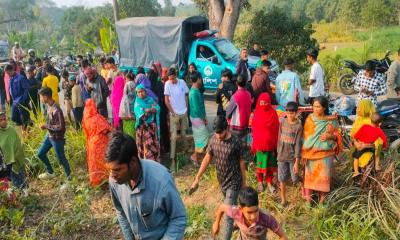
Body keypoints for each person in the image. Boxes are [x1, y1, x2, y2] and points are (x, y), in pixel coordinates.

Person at [106, 132, 187, 240]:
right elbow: (121, 212)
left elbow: (178, 217)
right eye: (110, 170)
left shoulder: (161, 180)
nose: (112, 175)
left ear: (133, 162)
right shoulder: (115, 181)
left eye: (117, 170)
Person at [190, 116, 246, 240]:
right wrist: (197, 178)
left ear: (227, 129)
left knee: (227, 215)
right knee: (232, 206)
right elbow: (207, 158)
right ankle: (242, 222)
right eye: (216, 132)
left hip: (234, 182)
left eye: (220, 132)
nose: (218, 135)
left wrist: (244, 182)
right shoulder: (213, 139)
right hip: (222, 181)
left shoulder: (236, 142)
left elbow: (242, 162)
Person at [302, 96, 342, 204]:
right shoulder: (309, 119)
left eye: (318, 106)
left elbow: (337, 136)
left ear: (324, 108)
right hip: (310, 154)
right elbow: (306, 136)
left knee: (324, 179)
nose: (315, 109)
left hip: (325, 155)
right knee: (309, 179)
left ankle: (322, 203)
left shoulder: (332, 120)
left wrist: (330, 137)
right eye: (314, 106)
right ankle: (308, 201)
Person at [212, 186, 288, 240]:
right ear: (241, 209)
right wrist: (216, 223)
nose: (253, 216)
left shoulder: (266, 218)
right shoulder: (236, 212)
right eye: (249, 212)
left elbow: (283, 236)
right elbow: (222, 207)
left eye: (256, 211)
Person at [37, 87, 71, 191]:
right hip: (49, 136)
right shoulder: (49, 106)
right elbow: (51, 123)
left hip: (57, 138)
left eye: (41, 97)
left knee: (61, 158)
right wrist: (47, 126)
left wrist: (46, 126)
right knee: (40, 153)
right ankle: (51, 172)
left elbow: (61, 127)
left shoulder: (57, 109)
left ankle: (69, 179)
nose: (40, 99)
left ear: (46, 97)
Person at [252, 93, 280, 193]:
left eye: (265, 102)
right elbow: (254, 130)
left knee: (270, 166)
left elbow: (276, 129)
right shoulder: (256, 113)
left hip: (271, 146)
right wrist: (254, 144)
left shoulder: (273, 113)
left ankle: (269, 182)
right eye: (261, 102)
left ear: (269, 102)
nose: (263, 104)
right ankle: (260, 182)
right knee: (259, 166)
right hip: (259, 145)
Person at [277, 102, 303, 205]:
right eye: (287, 112)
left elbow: (298, 145)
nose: (289, 115)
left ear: (297, 113)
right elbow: (279, 137)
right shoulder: (282, 122)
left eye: (292, 113)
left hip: (292, 157)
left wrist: (297, 162)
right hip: (282, 156)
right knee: (282, 179)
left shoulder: (299, 126)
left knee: (295, 178)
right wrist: (278, 151)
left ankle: (303, 183)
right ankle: (283, 199)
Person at [164, 67, 190, 171]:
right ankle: (172, 160)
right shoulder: (167, 84)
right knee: (174, 137)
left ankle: (186, 149)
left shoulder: (182, 82)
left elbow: (186, 95)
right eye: (170, 79)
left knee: (183, 133)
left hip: (183, 112)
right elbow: (166, 101)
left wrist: (186, 108)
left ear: (176, 75)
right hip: (173, 113)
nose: (171, 81)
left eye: (173, 78)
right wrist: (172, 113)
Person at [82, 99, 112, 187]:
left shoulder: (85, 119)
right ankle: (105, 180)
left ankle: (96, 181)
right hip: (100, 143)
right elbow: (106, 129)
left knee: (94, 163)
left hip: (91, 143)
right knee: (103, 160)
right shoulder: (97, 118)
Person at [0, 112, 27, 192]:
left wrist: (15, 155)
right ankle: (17, 195)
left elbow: (18, 143)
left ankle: (24, 191)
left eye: (4, 119)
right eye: (1, 120)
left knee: (21, 178)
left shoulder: (11, 129)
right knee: (12, 182)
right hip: (5, 162)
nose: (3, 121)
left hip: (17, 158)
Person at [134, 84, 161, 162]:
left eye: (142, 91)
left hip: (151, 127)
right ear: (136, 93)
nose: (140, 94)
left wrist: (154, 109)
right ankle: (146, 164)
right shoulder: (137, 103)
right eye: (138, 92)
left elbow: (157, 107)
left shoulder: (150, 99)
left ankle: (155, 163)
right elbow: (141, 115)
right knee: (145, 147)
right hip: (143, 129)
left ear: (145, 91)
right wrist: (148, 110)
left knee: (153, 146)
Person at [188, 72, 209, 165]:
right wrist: (203, 118)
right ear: (198, 79)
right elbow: (196, 108)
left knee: (200, 137)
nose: (201, 80)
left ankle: (198, 156)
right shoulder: (193, 92)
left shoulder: (196, 90)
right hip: (197, 118)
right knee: (204, 136)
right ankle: (195, 156)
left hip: (198, 117)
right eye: (201, 78)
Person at [148, 68, 170, 154]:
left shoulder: (148, 87)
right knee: (164, 129)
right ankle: (167, 148)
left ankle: (158, 149)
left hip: (154, 112)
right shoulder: (160, 84)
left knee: (156, 130)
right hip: (162, 109)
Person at [226, 74, 252, 141]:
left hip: (236, 125)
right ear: (246, 83)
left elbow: (229, 112)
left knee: (234, 144)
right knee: (242, 144)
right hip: (245, 124)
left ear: (236, 83)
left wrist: (227, 118)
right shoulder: (248, 94)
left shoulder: (235, 96)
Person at [5, 64, 30, 131]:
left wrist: (24, 100)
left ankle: (26, 133)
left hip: (21, 101)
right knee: (13, 117)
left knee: (24, 119)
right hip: (14, 101)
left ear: (12, 70)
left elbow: (26, 89)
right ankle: (24, 126)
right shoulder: (11, 79)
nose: (8, 75)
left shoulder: (20, 78)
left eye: (8, 73)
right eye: (7, 73)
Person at [119, 71, 136, 138]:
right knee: (132, 131)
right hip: (133, 112)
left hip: (125, 113)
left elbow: (125, 95)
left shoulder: (127, 84)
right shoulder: (135, 84)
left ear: (127, 78)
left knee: (127, 132)